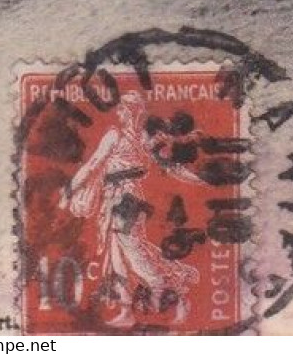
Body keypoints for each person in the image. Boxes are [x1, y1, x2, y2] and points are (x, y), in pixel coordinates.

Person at [58, 94, 204, 326]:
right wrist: (70, 189)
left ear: (130, 112)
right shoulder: (128, 137)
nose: (121, 113)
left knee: (135, 254)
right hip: (113, 200)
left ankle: (176, 293)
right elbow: (94, 164)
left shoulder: (134, 139)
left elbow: (94, 164)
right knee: (116, 256)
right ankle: (126, 310)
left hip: (127, 200)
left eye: (124, 110)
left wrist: (69, 191)